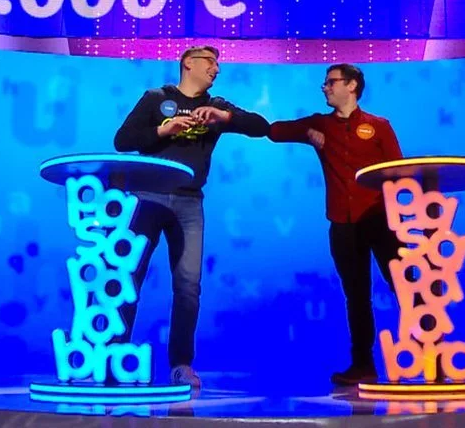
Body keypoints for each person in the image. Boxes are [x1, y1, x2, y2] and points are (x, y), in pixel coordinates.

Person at [113, 45, 270, 387]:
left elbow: (261, 126)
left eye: (218, 63)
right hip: (146, 198)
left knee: (188, 287)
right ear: (188, 63)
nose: (216, 69)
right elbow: (122, 141)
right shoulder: (157, 98)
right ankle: (113, 359)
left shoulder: (217, 105)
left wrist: (225, 118)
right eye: (210, 62)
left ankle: (181, 365)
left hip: (189, 203)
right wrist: (163, 131)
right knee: (127, 278)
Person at [268, 63, 403, 385]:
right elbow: (274, 131)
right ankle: (363, 365)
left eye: (331, 82)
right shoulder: (321, 124)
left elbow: (398, 171)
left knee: (405, 286)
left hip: (380, 219)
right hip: (343, 223)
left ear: (352, 85)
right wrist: (307, 134)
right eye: (326, 82)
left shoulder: (378, 126)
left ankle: (434, 356)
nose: (325, 87)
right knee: (356, 296)